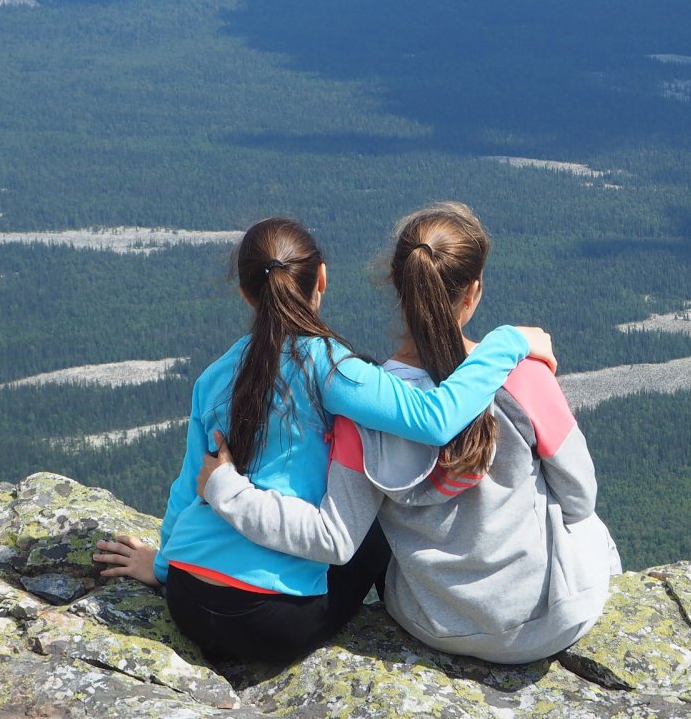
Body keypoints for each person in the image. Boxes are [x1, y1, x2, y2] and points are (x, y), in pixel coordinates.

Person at [93, 215, 556, 662]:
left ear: (246, 294)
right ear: (322, 280)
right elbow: (435, 419)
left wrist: (160, 568)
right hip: (275, 623)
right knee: (377, 521)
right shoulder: (335, 368)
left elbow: (186, 489)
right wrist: (508, 342)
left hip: (189, 602)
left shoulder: (213, 377)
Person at [199, 202, 621, 664]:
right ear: (473, 291)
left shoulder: (367, 407)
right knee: (588, 529)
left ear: (398, 285)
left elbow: (339, 533)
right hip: (552, 621)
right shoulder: (524, 379)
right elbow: (580, 496)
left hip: (432, 623)